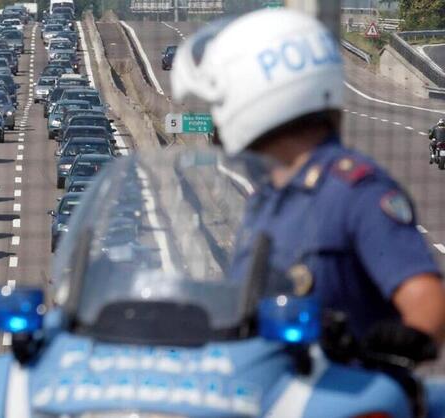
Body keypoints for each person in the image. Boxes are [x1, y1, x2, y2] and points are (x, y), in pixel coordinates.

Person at [171, 9, 445, 359]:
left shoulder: (355, 192)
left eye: (221, 99)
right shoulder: (265, 198)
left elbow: (428, 305)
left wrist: (372, 351)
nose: (216, 115)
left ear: (258, 96)